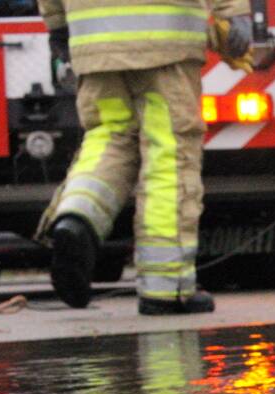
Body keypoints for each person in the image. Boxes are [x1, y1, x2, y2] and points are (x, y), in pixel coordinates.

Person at [35, 0, 252, 314]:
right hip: (165, 42)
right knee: (169, 154)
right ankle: (166, 288)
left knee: (108, 138)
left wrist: (57, 26)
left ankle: (76, 217)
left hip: (92, 41)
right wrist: (232, 15)